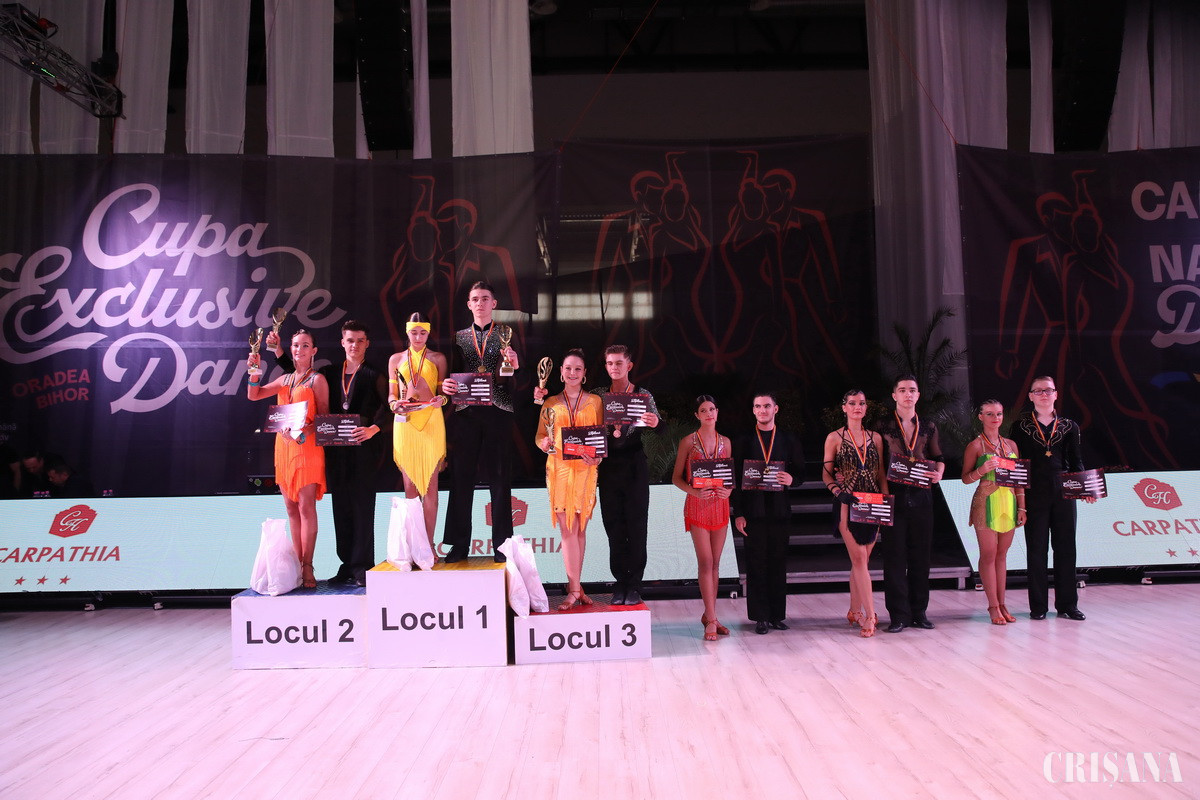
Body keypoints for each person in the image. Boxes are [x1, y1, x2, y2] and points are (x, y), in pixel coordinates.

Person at [268, 321, 389, 586]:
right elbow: (297, 371)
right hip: (335, 448)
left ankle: (362, 566)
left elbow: (390, 407)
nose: (354, 345)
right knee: (341, 507)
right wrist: (278, 351)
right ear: (342, 343)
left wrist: (373, 429)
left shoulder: (374, 374)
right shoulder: (330, 373)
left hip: (362, 448)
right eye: (350, 340)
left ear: (367, 343)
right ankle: (346, 564)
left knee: (362, 506)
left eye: (360, 340)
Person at [441, 281, 521, 563]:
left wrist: (512, 365)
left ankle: (503, 545)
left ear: (494, 303)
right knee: (461, 478)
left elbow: (512, 379)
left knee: (500, 480)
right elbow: (451, 373)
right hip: (466, 413)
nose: (480, 303)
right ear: (469, 304)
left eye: (485, 298)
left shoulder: (507, 335)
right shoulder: (458, 337)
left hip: (498, 411)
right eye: (475, 299)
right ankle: (458, 545)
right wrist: (446, 386)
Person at [248, 330, 329, 589]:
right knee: (291, 509)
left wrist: (305, 432)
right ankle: (296, 564)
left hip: (307, 449)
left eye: (305, 345)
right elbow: (254, 395)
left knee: (306, 508)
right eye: (295, 345)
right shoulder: (284, 379)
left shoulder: (317, 380)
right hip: (283, 448)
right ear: (290, 349)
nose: (299, 350)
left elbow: (325, 418)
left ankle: (308, 566)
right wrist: (254, 371)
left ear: (313, 351)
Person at [1009, 376, 1093, 621]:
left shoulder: (1069, 426)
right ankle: (1038, 606)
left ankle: (1068, 604)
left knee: (1066, 548)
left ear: (1056, 394)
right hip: (1034, 493)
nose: (1044, 394)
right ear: (1031, 396)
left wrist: (1084, 488)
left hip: (1064, 492)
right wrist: (1019, 499)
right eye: (1038, 391)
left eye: (1048, 390)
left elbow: (1076, 460)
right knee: (1036, 550)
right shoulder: (1020, 426)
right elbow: (1017, 463)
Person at [534, 349, 604, 610]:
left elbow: (601, 438)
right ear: (561, 373)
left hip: (585, 470)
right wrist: (544, 443)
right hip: (560, 470)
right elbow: (540, 436)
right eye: (568, 368)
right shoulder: (550, 402)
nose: (572, 373)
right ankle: (574, 589)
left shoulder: (595, 401)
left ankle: (576, 586)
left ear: (584, 374)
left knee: (580, 529)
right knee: (567, 529)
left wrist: (597, 458)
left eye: (577, 369)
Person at [592, 344, 660, 606]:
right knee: (613, 526)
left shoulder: (643, 395)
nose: (614, 368)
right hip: (608, 467)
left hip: (634, 467)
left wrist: (656, 423)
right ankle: (620, 583)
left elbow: (661, 428)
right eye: (610, 363)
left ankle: (634, 585)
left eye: (619, 363)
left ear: (629, 365)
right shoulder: (598, 395)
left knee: (637, 526)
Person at [731, 392, 803, 634]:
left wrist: (792, 479)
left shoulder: (788, 439)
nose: (762, 410)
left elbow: (800, 473)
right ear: (753, 410)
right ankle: (760, 617)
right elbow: (735, 479)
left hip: (780, 511)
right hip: (753, 512)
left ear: (775, 409)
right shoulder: (743, 440)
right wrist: (739, 513)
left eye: (767, 406)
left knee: (778, 564)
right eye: (758, 406)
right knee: (756, 565)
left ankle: (776, 616)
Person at [878, 375, 945, 633]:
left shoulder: (928, 425)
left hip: (922, 496)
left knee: (921, 556)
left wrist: (939, 473)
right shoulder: (882, 425)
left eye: (912, 390)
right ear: (894, 395)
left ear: (918, 395)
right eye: (903, 390)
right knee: (894, 557)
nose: (908, 394)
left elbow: (938, 456)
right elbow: (878, 461)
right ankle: (898, 615)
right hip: (893, 495)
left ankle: (919, 612)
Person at [822, 389, 888, 638]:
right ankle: (870, 615)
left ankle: (853, 610)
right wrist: (838, 492)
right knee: (860, 559)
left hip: (872, 503)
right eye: (852, 403)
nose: (857, 407)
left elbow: (881, 473)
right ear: (844, 407)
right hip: (847, 503)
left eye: (861, 403)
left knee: (861, 562)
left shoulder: (875, 438)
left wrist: (886, 503)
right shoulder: (834, 437)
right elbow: (826, 473)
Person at [671, 395, 733, 641]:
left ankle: (710, 616)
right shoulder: (688, 441)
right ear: (696, 415)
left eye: (712, 409)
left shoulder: (725, 442)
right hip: (697, 505)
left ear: (717, 412)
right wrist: (695, 492)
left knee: (716, 563)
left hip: (720, 505)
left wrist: (729, 490)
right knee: (705, 562)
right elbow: (676, 478)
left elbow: (729, 477)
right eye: (703, 410)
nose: (709, 413)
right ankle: (711, 618)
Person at [388, 313, 449, 557]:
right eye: (414, 332)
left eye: (422, 332)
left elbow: (443, 393)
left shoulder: (438, 358)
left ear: (428, 333)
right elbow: (391, 395)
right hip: (406, 425)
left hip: (431, 422)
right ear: (407, 332)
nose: (418, 337)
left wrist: (442, 400)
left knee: (431, 488)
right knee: (410, 489)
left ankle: (429, 546)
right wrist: (394, 404)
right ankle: (415, 548)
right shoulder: (395, 359)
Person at [962, 400, 1026, 625]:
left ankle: (1003, 603)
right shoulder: (975, 446)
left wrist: (1022, 506)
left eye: (998, 414)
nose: (995, 418)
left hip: (1009, 502)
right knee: (988, 553)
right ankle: (992, 606)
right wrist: (981, 470)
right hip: (985, 501)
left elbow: (1019, 479)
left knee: (1002, 554)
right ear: (980, 417)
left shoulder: (1011, 445)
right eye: (989, 414)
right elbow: (965, 478)